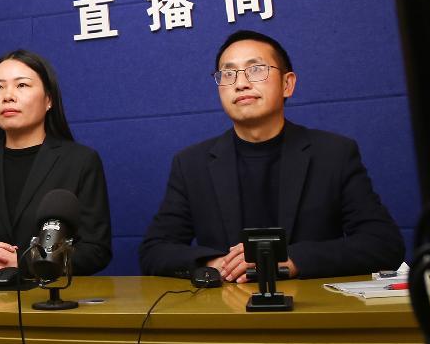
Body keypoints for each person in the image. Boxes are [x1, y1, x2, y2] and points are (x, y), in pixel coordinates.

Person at [139, 30, 404, 281]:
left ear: (287, 84)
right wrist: (216, 264)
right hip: (225, 305)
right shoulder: (191, 164)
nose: (241, 83)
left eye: (255, 70)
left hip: (313, 307)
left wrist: (290, 259)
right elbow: (154, 250)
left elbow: (383, 244)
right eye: (228, 74)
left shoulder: (334, 153)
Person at [0, 50, 112, 279]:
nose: (8, 96)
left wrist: (26, 263)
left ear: (48, 99)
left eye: (21, 85)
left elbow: (96, 250)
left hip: (50, 297)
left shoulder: (81, 161)